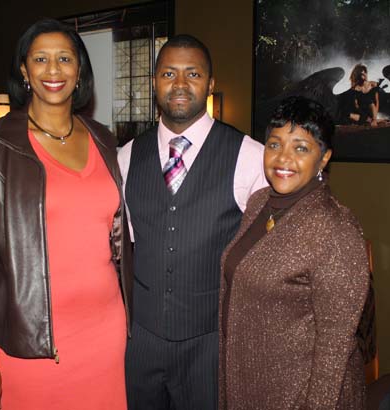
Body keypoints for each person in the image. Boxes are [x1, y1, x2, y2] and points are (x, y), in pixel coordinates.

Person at [0, 19, 132, 410]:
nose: (53, 70)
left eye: (65, 59)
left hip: (105, 332)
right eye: (40, 59)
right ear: (24, 70)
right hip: (30, 341)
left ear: (79, 70)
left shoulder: (104, 139)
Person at [117, 34, 267, 410]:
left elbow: (268, 260)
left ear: (210, 84)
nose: (180, 83)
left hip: (209, 345)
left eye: (193, 74)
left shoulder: (251, 156)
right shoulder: (125, 156)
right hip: (140, 343)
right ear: (154, 82)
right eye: (169, 73)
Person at [219, 96, 369, 409]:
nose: (283, 158)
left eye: (301, 148)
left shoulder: (336, 229)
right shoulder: (259, 203)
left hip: (298, 395)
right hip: (249, 383)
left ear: (324, 158)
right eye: (274, 145)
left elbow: (335, 346)